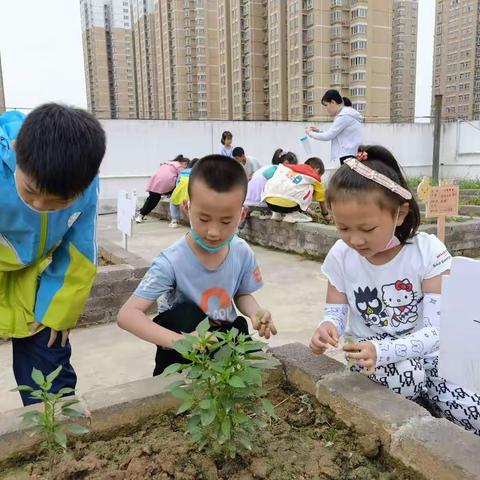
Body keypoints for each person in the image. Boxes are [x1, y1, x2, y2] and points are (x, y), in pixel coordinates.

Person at [309, 145, 480, 436]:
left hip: (425, 355)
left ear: (399, 214)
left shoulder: (427, 252)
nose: (355, 240)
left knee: (471, 409)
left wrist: (385, 349)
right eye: (343, 228)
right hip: (368, 358)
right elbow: (335, 312)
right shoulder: (341, 255)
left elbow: (439, 330)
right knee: (407, 378)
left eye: (367, 228)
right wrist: (327, 327)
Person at [117, 155, 277, 375]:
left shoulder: (241, 251)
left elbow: (241, 294)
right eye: (203, 219)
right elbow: (127, 315)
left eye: (225, 221)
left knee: (238, 328)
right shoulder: (171, 261)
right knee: (187, 313)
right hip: (182, 344)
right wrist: (184, 341)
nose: (213, 231)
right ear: (187, 207)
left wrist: (257, 313)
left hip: (222, 337)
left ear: (242, 215)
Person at [0, 104, 106, 406]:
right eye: (31, 191)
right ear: (17, 152)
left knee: (49, 367)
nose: (41, 206)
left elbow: (79, 252)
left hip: (32, 276)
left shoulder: (85, 186)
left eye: (59, 201)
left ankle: (52, 439)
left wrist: (59, 312)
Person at [262, 157, 330, 224]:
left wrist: (310, 211)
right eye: (320, 175)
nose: (319, 178)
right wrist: (325, 214)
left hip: (269, 202)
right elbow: (321, 200)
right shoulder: (313, 177)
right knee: (311, 187)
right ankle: (292, 215)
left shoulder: (287, 168)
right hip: (289, 207)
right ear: (317, 170)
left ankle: (276, 214)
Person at [305, 89, 363, 165]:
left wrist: (310, 133)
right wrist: (318, 131)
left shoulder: (344, 116)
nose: (326, 109)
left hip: (348, 156)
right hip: (351, 154)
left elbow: (328, 136)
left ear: (333, 102)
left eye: (326, 105)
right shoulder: (347, 113)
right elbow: (333, 134)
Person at [135, 155, 190, 223]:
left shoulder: (167, 164)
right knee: (157, 200)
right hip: (165, 183)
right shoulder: (179, 166)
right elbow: (181, 179)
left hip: (154, 182)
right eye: (187, 166)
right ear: (184, 163)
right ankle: (174, 219)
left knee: (151, 199)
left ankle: (140, 215)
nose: (186, 168)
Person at [168, 158, 199, 228]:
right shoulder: (199, 172)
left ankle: (174, 220)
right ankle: (193, 223)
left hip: (181, 190)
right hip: (192, 190)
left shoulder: (183, 171)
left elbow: (177, 182)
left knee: (173, 202)